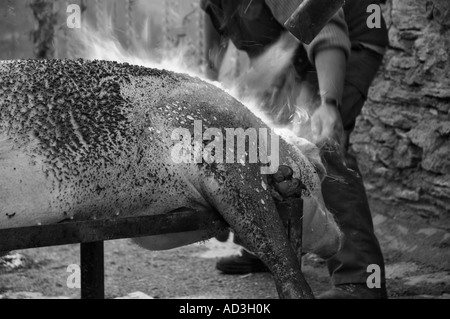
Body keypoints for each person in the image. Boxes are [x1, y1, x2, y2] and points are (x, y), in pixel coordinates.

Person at [201, 0, 389, 299]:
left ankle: (361, 282)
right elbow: (214, 53)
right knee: (260, 137)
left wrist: (328, 104)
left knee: (321, 146)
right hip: (291, 54)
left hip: (342, 45)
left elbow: (326, 28)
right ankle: (269, 250)